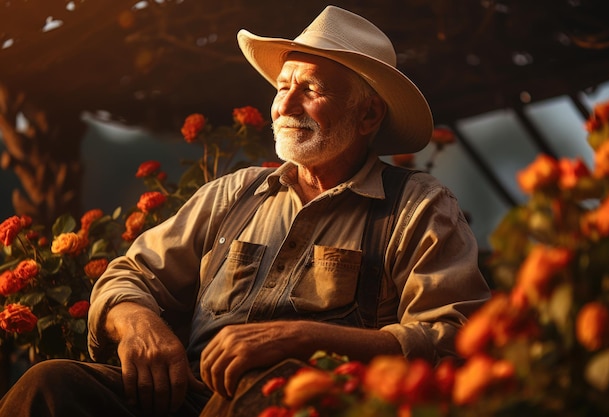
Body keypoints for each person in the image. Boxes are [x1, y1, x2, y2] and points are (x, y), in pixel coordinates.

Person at [0, 5, 491, 417]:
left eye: (311, 90)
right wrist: (139, 326)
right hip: (187, 399)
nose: (285, 105)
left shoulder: (417, 207)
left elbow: (452, 337)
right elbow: (128, 276)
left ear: (368, 115)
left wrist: (298, 339)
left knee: (267, 387)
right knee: (49, 385)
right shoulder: (234, 193)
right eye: (282, 87)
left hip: (306, 404)